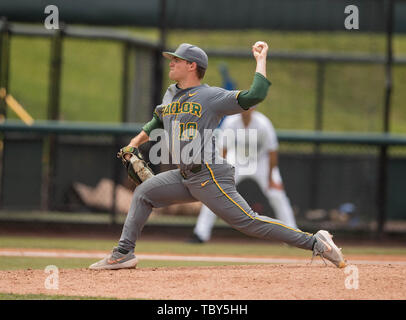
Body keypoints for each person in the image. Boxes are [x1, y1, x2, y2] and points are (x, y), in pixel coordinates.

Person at [89, 42, 346, 270]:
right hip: (186, 176)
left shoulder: (211, 96)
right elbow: (158, 119)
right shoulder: (170, 94)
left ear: (192, 66)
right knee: (144, 194)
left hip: (210, 175)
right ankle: (123, 253)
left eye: (176, 60)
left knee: (249, 222)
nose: (172, 62)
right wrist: (135, 142)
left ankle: (316, 242)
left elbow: (255, 95)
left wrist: (260, 60)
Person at [191, 108, 297, 243]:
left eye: (250, 105)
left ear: (254, 108)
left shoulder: (263, 123)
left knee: (277, 194)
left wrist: (271, 179)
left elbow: (272, 153)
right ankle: (200, 234)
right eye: (244, 105)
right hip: (237, 160)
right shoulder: (230, 122)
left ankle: (294, 235)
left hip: (260, 162)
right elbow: (223, 150)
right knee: (215, 191)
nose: (246, 109)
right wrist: (219, 175)